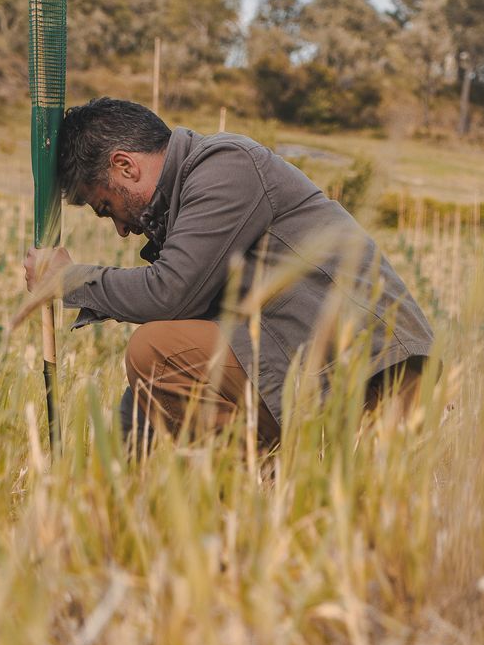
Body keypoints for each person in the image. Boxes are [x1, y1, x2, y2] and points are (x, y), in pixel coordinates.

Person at [23, 97, 434, 447]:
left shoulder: (225, 166)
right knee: (146, 401)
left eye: (107, 206)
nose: (121, 229)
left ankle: (263, 485)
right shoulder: (187, 199)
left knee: (154, 350)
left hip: (372, 376)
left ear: (125, 165)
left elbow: (170, 293)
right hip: (308, 364)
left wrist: (69, 280)